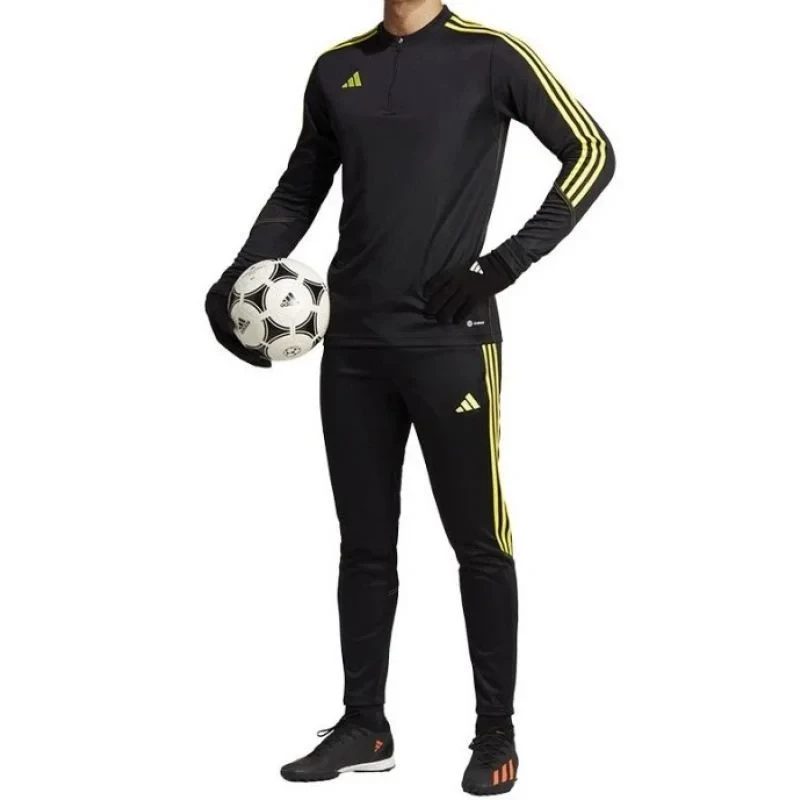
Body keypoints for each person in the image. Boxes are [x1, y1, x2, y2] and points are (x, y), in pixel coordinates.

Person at [205, 0, 614, 793]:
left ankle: (495, 734)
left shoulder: (491, 56)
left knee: (479, 543)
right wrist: (238, 276)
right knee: (363, 545)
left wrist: (503, 265)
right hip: (352, 345)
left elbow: (592, 152)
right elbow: (299, 189)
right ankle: (365, 725)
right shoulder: (336, 69)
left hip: (451, 343)